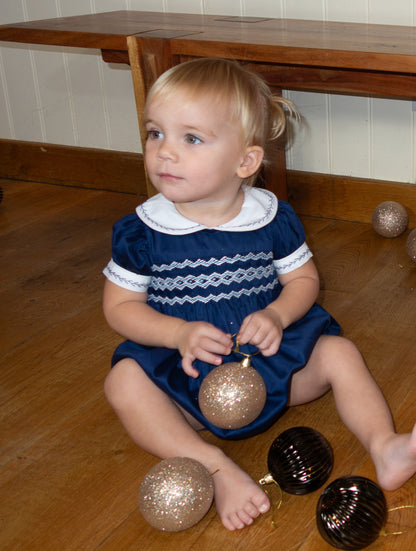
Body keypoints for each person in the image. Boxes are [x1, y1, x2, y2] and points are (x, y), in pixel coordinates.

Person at [102, 57, 416, 531]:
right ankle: (214, 466)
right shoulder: (143, 230)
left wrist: (277, 316)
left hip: (271, 369)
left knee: (339, 353)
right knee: (123, 383)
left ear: (245, 161)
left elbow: (304, 282)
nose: (165, 152)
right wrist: (177, 332)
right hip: (183, 383)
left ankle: (385, 446)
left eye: (190, 138)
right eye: (154, 133)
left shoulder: (272, 217)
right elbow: (120, 308)